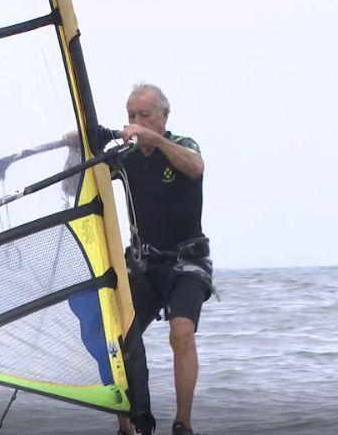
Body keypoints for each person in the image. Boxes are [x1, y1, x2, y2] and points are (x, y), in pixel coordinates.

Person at [115, 83, 213, 435]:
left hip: (187, 261)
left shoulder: (183, 146)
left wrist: (154, 140)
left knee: (182, 332)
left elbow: (196, 168)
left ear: (163, 117)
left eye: (144, 115)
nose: (136, 122)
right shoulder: (124, 160)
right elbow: (76, 185)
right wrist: (77, 147)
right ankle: (128, 426)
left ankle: (182, 422)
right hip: (143, 263)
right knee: (118, 337)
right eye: (131, 116)